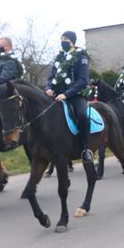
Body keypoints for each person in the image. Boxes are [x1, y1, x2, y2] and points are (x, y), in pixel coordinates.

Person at [45, 31, 94, 164]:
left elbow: (83, 80)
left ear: (71, 41)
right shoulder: (59, 57)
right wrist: (48, 88)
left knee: (82, 114)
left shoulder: (81, 56)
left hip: (76, 95)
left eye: (64, 39)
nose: (62, 41)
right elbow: (51, 77)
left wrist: (67, 94)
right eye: (61, 39)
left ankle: (86, 149)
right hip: (57, 95)